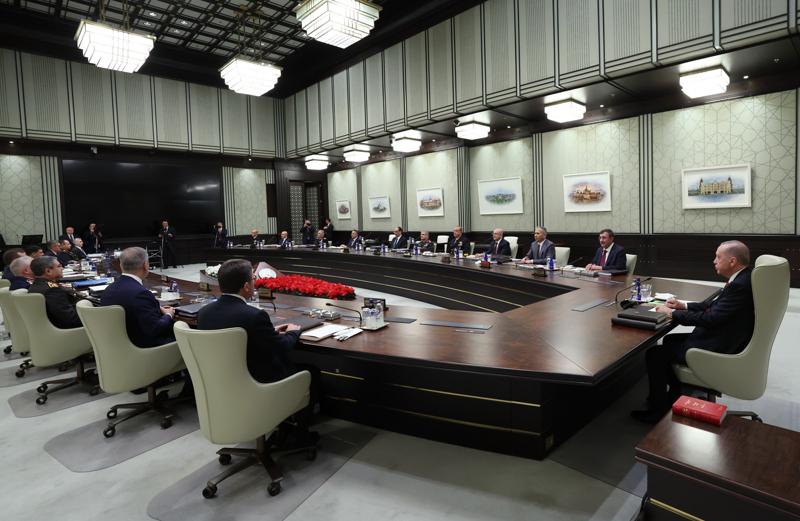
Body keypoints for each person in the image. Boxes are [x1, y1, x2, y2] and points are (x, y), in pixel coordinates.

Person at [631, 241, 755, 423]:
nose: (714, 261)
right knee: (670, 340)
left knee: (654, 354)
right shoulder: (743, 277)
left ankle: (657, 410)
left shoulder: (739, 285)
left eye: (718, 257)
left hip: (720, 345)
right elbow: (713, 306)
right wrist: (683, 305)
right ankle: (675, 394)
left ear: (732, 261)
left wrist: (672, 313)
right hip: (726, 335)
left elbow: (711, 318)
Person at [197, 259, 301, 384]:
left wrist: (269, 332)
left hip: (216, 381)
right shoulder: (255, 316)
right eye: (253, 278)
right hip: (256, 383)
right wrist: (292, 332)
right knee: (311, 371)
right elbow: (281, 347)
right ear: (246, 286)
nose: (255, 281)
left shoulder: (203, 313)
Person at [101, 247, 176, 348]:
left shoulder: (109, 289)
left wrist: (154, 308)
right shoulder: (141, 294)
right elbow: (155, 329)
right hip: (145, 350)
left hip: (114, 347)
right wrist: (168, 315)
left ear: (120, 265)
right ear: (146, 265)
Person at [28, 256, 82, 329]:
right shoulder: (53, 290)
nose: (62, 268)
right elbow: (71, 319)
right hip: (67, 330)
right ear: (48, 271)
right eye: (59, 266)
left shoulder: (36, 285)